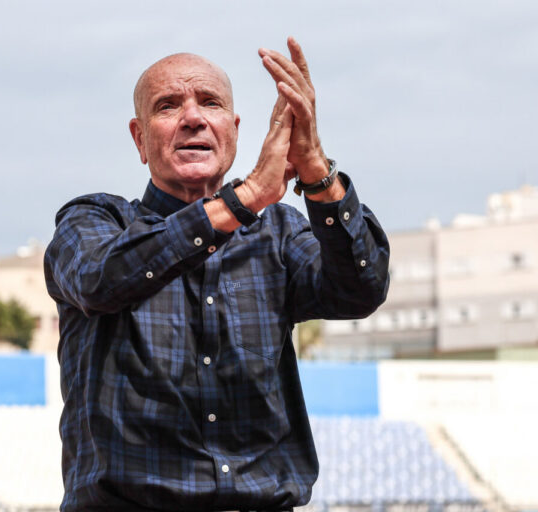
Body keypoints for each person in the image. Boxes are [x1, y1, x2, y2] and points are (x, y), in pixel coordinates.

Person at [45, 37, 390, 512]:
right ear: (140, 139)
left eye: (210, 103)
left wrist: (314, 167)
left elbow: (360, 290)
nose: (193, 117)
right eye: (168, 106)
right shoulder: (93, 222)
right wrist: (243, 199)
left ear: (233, 129)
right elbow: (99, 279)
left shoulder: (279, 234)